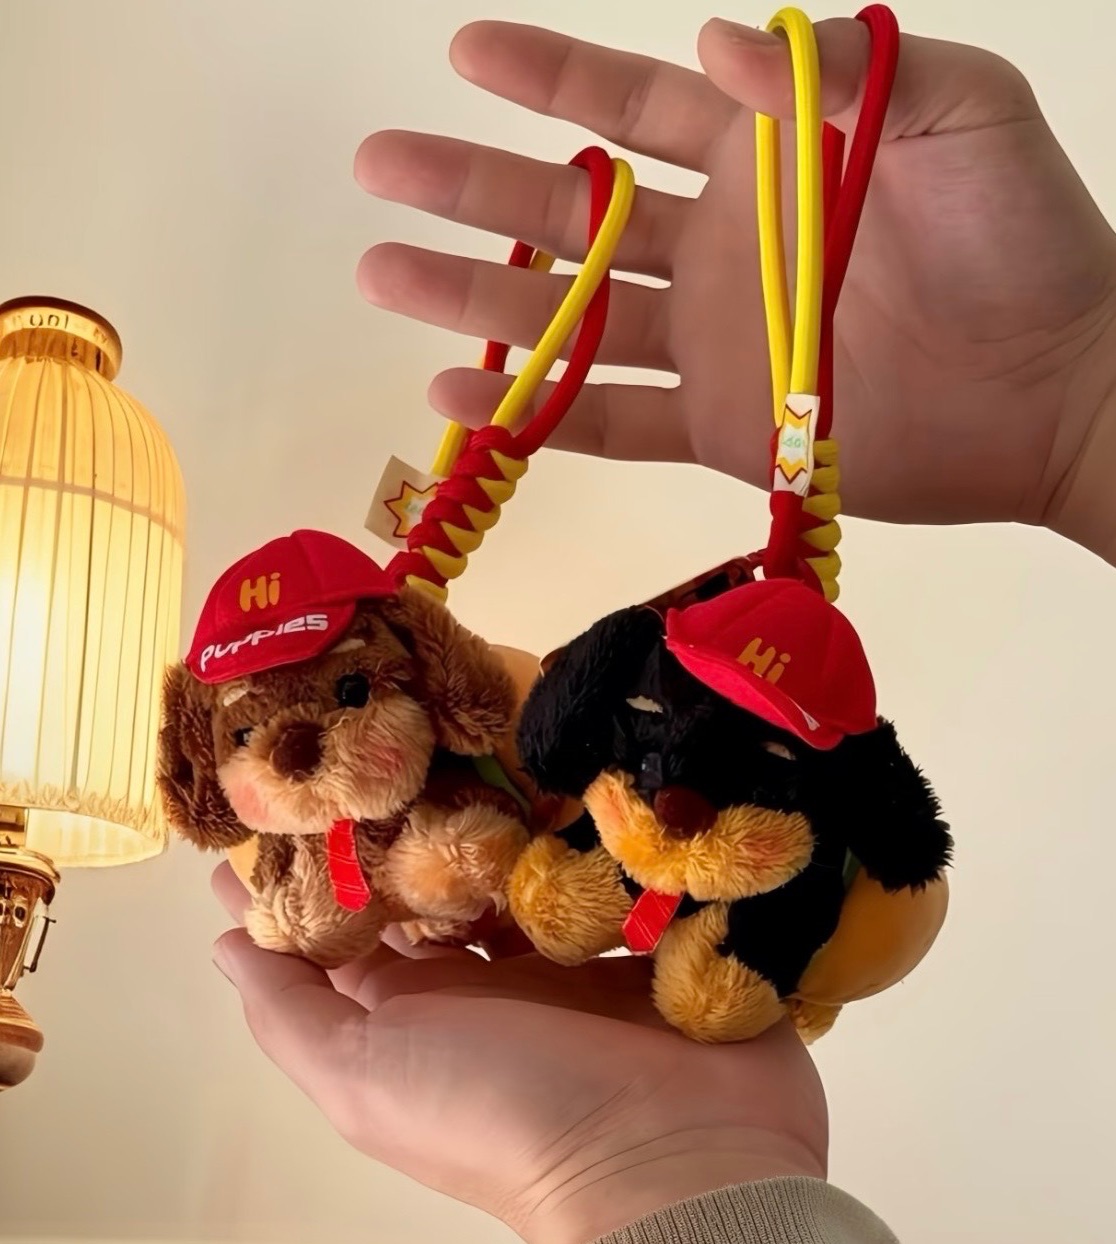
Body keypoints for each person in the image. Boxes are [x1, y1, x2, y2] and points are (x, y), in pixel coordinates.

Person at [211, 15, 1116, 1244]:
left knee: (728, 926)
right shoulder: (549, 747)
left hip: (731, 926)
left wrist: (1085, 399)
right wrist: (1082, 405)